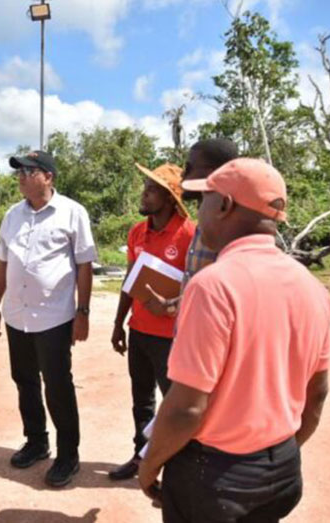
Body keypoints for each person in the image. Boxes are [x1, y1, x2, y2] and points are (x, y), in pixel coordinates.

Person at [138, 158, 330, 522]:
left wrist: (149, 466)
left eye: (203, 201)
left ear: (224, 205)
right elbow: (317, 392)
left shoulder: (213, 285)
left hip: (214, 478)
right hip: (283, 469)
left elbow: (186, 409)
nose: (199, 212)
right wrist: (279, 455)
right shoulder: (313, 288)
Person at [0, 150, 97, 488]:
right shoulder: (12, 215)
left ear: (47, 177)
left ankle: (68, 455)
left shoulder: (72, 212)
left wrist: (83, 312)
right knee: (24, 380)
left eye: (28, 171)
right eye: (18, 171)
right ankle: (36, 441)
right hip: (16, 315)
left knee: (58, 385)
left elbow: (84, 265)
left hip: (54, 317)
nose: (20, 176)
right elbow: (3, 262)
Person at [109, 163, 195, 481]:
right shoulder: (137, 231)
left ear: (171, 198)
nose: (144, 193)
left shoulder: (190, 234)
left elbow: (200, 285)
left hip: (173, 337)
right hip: (140, 331)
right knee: (141, 400)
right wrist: (119, 323)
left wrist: (172, 305)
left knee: (174, 405)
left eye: (152, 189)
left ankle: (178, 464)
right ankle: (141, 458)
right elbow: (131, 279)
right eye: (145, 187)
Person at [144, 139, 238, 316]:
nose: (183, 175)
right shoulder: (204, 225)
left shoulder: (228, 231)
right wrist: (171, 306)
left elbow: (223, 299)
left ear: (211, 173)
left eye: (189, 167)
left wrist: (171, 306)